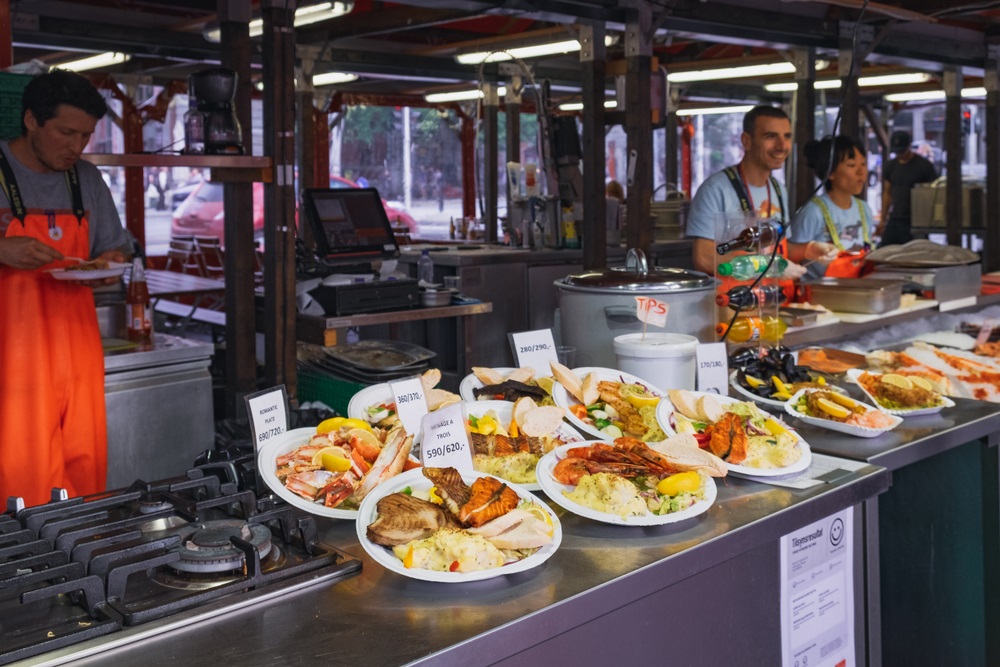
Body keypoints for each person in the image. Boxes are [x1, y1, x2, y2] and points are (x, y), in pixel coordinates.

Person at [0, 69, 129, 506]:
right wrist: (1, 249)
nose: (76, 147)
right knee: (17, 469)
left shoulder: (87, 180)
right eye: (66, 132)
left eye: (86, 136)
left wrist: (111, 265)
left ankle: (80, 561)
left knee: (85, 462)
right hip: (12, 358)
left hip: (78, 354)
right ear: (32, 120)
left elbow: (114, 249)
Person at [686, 105, 834, 285]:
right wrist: (767, 266)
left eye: (786, 136)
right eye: (771, 136)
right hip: (731, 306)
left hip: (772, 302)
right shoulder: (717, 189)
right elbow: (704, 258)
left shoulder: (777, 188)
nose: (781, 146)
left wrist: (809, 250)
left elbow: (779, 248)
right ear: (747, 141)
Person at [790, 135, 874, 279]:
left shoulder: (864, 209)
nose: (861, 172)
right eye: (852, 165)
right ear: (831, 172)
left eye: (863, 164)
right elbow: (791, 256)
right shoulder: (813, 212)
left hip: (855, 290)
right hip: (818, 295)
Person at [878, 130, 937, 246]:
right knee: (885, 250)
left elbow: (933, 194)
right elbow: (887, 193)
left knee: (916, 254)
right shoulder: (891, 166)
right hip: (896, 217)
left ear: (909, 146)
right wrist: (882, 220)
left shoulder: (924, 166)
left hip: (917, 220)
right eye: (897, 152)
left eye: (902, 151)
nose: (900, 155)